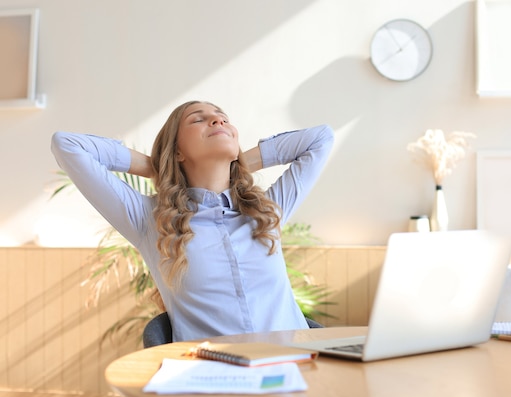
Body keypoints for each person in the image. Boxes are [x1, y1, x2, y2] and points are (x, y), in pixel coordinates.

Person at [51, 100, 334, 342]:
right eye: (199, 119)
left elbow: (321, 138)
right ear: (176, 151)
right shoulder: (149, 220)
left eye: (223, 118)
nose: (217, 120)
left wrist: (239, 162)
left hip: (297, 374)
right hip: (216, 388)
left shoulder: (266, 213)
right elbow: (67, 145)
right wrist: (160, 166)